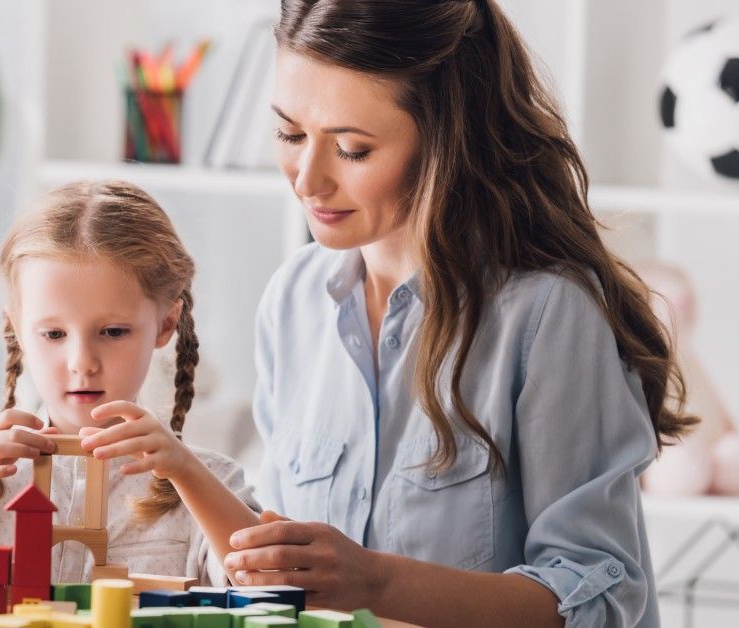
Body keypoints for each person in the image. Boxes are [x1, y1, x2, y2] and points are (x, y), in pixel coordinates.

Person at [222, 1, 697, 626]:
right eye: (289, 134)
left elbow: (601, 599)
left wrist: (375, 581)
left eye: (353, 149)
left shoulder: (548, 314)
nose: (307, 179)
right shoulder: (292, 300)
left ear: (445, 137)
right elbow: (279, 565)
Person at [0, 180, 261, 585]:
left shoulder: (205, 482)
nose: (82, 363)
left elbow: (267, 582)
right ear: (17, 329)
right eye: (54, 334)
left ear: (166, 323)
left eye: (113, 332)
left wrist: (185, 471)